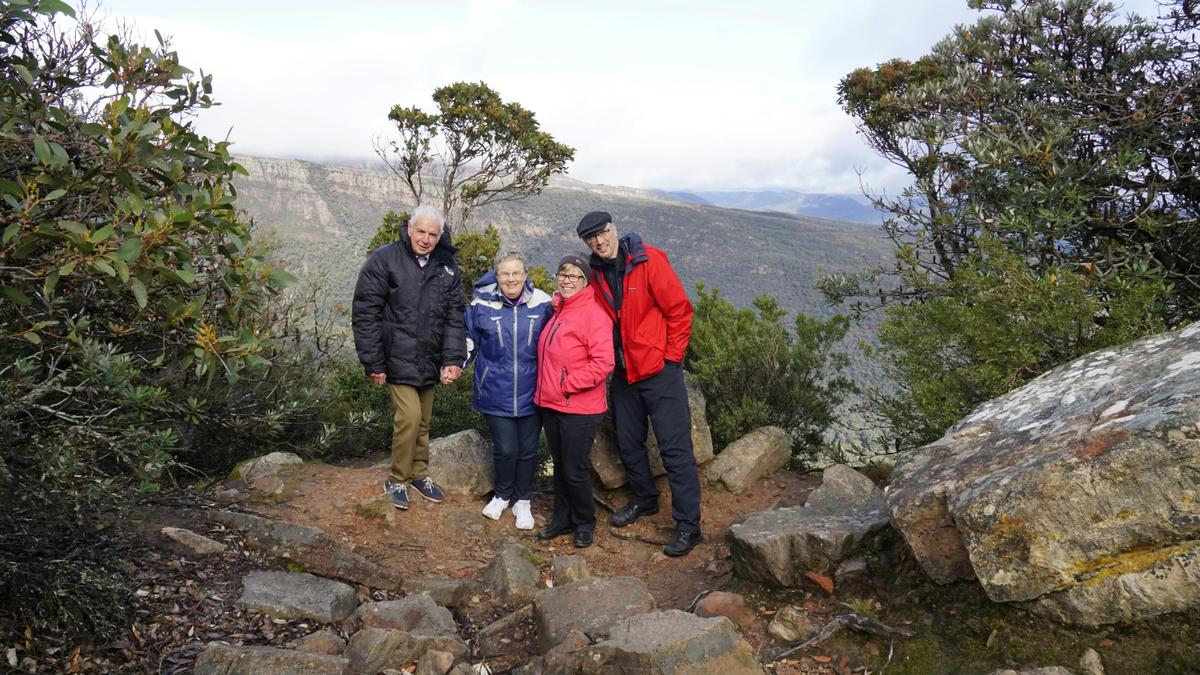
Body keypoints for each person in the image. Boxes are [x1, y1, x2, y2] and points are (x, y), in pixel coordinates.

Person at [577, 211, 704, 557]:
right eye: (591, 239)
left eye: (602, 233)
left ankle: (689, 526)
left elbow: (680, 311)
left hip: (658, 373)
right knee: (629, 445)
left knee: (675, 450)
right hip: (622, 375)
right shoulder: (595, 273)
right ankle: (645, 500)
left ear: (613, 228)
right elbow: (583, 309)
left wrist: (672, 359)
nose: (599, 241)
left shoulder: (648, 260)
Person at [352, 205, 465, 511]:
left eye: (432, 234)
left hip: (429, 358)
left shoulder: (447, 265)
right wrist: (373, 362)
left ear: (439, 236)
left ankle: (419, 473)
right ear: (409, 229)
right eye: (421, 232)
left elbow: (455, 316)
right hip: (395, 357)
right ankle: (398, 478)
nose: (426, 239)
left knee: (424, 421)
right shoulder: (385, 259)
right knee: (410, 417)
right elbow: (365, 314)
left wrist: (453, 358)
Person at [464, 251, 552, 529]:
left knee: (527, 449)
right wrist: (455, 365)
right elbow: (468, 340)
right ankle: (502, 495)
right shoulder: (482, 305)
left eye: (516, 273)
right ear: (497, 276)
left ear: (526, 275)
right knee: (505, 448)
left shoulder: (544, 303)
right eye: (505, 273)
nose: (511, 278)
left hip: (534, 390)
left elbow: (558, 341)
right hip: (494, 389)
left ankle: (523, 500)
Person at [534, 253, 614, 549]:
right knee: (560, 464)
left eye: (574, 276)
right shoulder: (558, 309)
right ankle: (562, 518)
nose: (567, 280)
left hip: (579, 407)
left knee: (574, 468)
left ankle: (584, 523)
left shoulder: (593, 315)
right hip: (552, 404)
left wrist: (567, 385)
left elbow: (603, 363)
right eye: (563, 274)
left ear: (585, 281)